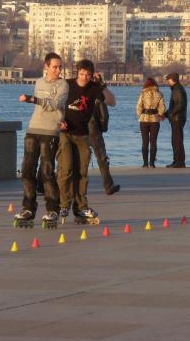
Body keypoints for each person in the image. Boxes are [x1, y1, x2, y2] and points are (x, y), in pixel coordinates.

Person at [57, 59, 116, 224]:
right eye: (82, 74)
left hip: (83, 135)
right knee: (66, 169)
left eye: (87, 75)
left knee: (82, 172)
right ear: (77, 72)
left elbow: (112, 102)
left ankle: (82, 206)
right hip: (65, 133)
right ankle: (63, 204)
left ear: (92, 75)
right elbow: (53, 102)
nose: (84, 78)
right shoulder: (66, 85)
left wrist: (103, 86)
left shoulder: (94, 88)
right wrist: (58, 120)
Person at [14, 52, 68, 229]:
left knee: (47, 170)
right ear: (46, 67)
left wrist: (32, 99)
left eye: (60, 67)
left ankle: (53, 208)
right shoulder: (38, 82)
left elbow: (54, 104)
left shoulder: (63, 85)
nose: (58, 70)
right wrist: (34, 99)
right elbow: (41, 106)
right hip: (33, 128)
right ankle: (28, 208)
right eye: (54, 66)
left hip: (50, 130)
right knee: (27, 169)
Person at [88, 73, 121, 195]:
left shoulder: (82, 92)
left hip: (81, 129)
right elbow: (104, 114)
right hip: (94, 130)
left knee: (77, 160)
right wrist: (103, 128)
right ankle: (108, 185)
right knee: (102, 159)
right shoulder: (98, 94)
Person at [136, 77, 166, 168]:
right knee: (153, 142)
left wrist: (140, 115)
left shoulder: (143, 93)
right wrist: (160, 115)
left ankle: (145, 163)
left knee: (145, 142)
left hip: (144, 119)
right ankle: (152, 163)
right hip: (155, 120)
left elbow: (139, 106)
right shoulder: (159, 94)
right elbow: (162, 107)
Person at [165, 72, 187, 168]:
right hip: (177, 117)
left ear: (172, 80)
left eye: (168, 80)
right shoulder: (177, 89)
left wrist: (171, 113)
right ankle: (177, 161)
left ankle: (179, 162)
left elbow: (180, 105)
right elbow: (175, 106)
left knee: (177, 140)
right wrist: (166, 114)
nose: (167, 82)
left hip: (177, 118)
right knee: (176, 140)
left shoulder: (177, 90)